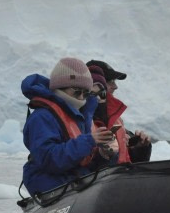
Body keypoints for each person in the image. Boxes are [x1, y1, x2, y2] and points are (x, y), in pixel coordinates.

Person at [21, 57, 117, 195]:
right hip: (50, 183)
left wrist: (103, 155)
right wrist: (89, 141)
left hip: (73, 181)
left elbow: (82, 162)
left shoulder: (79, 116)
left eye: (85, 93)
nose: (80, 97)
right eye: (77, 91)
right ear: (60, 87)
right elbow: (49, 159)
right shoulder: (42, 117)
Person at [86, 59, 152, 163]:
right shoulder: (83, 120)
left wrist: (140, 148)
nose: (115, 87)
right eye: (110, 81)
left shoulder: (115, 118)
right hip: (105, 179)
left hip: (120, 178)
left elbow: (128, 162)